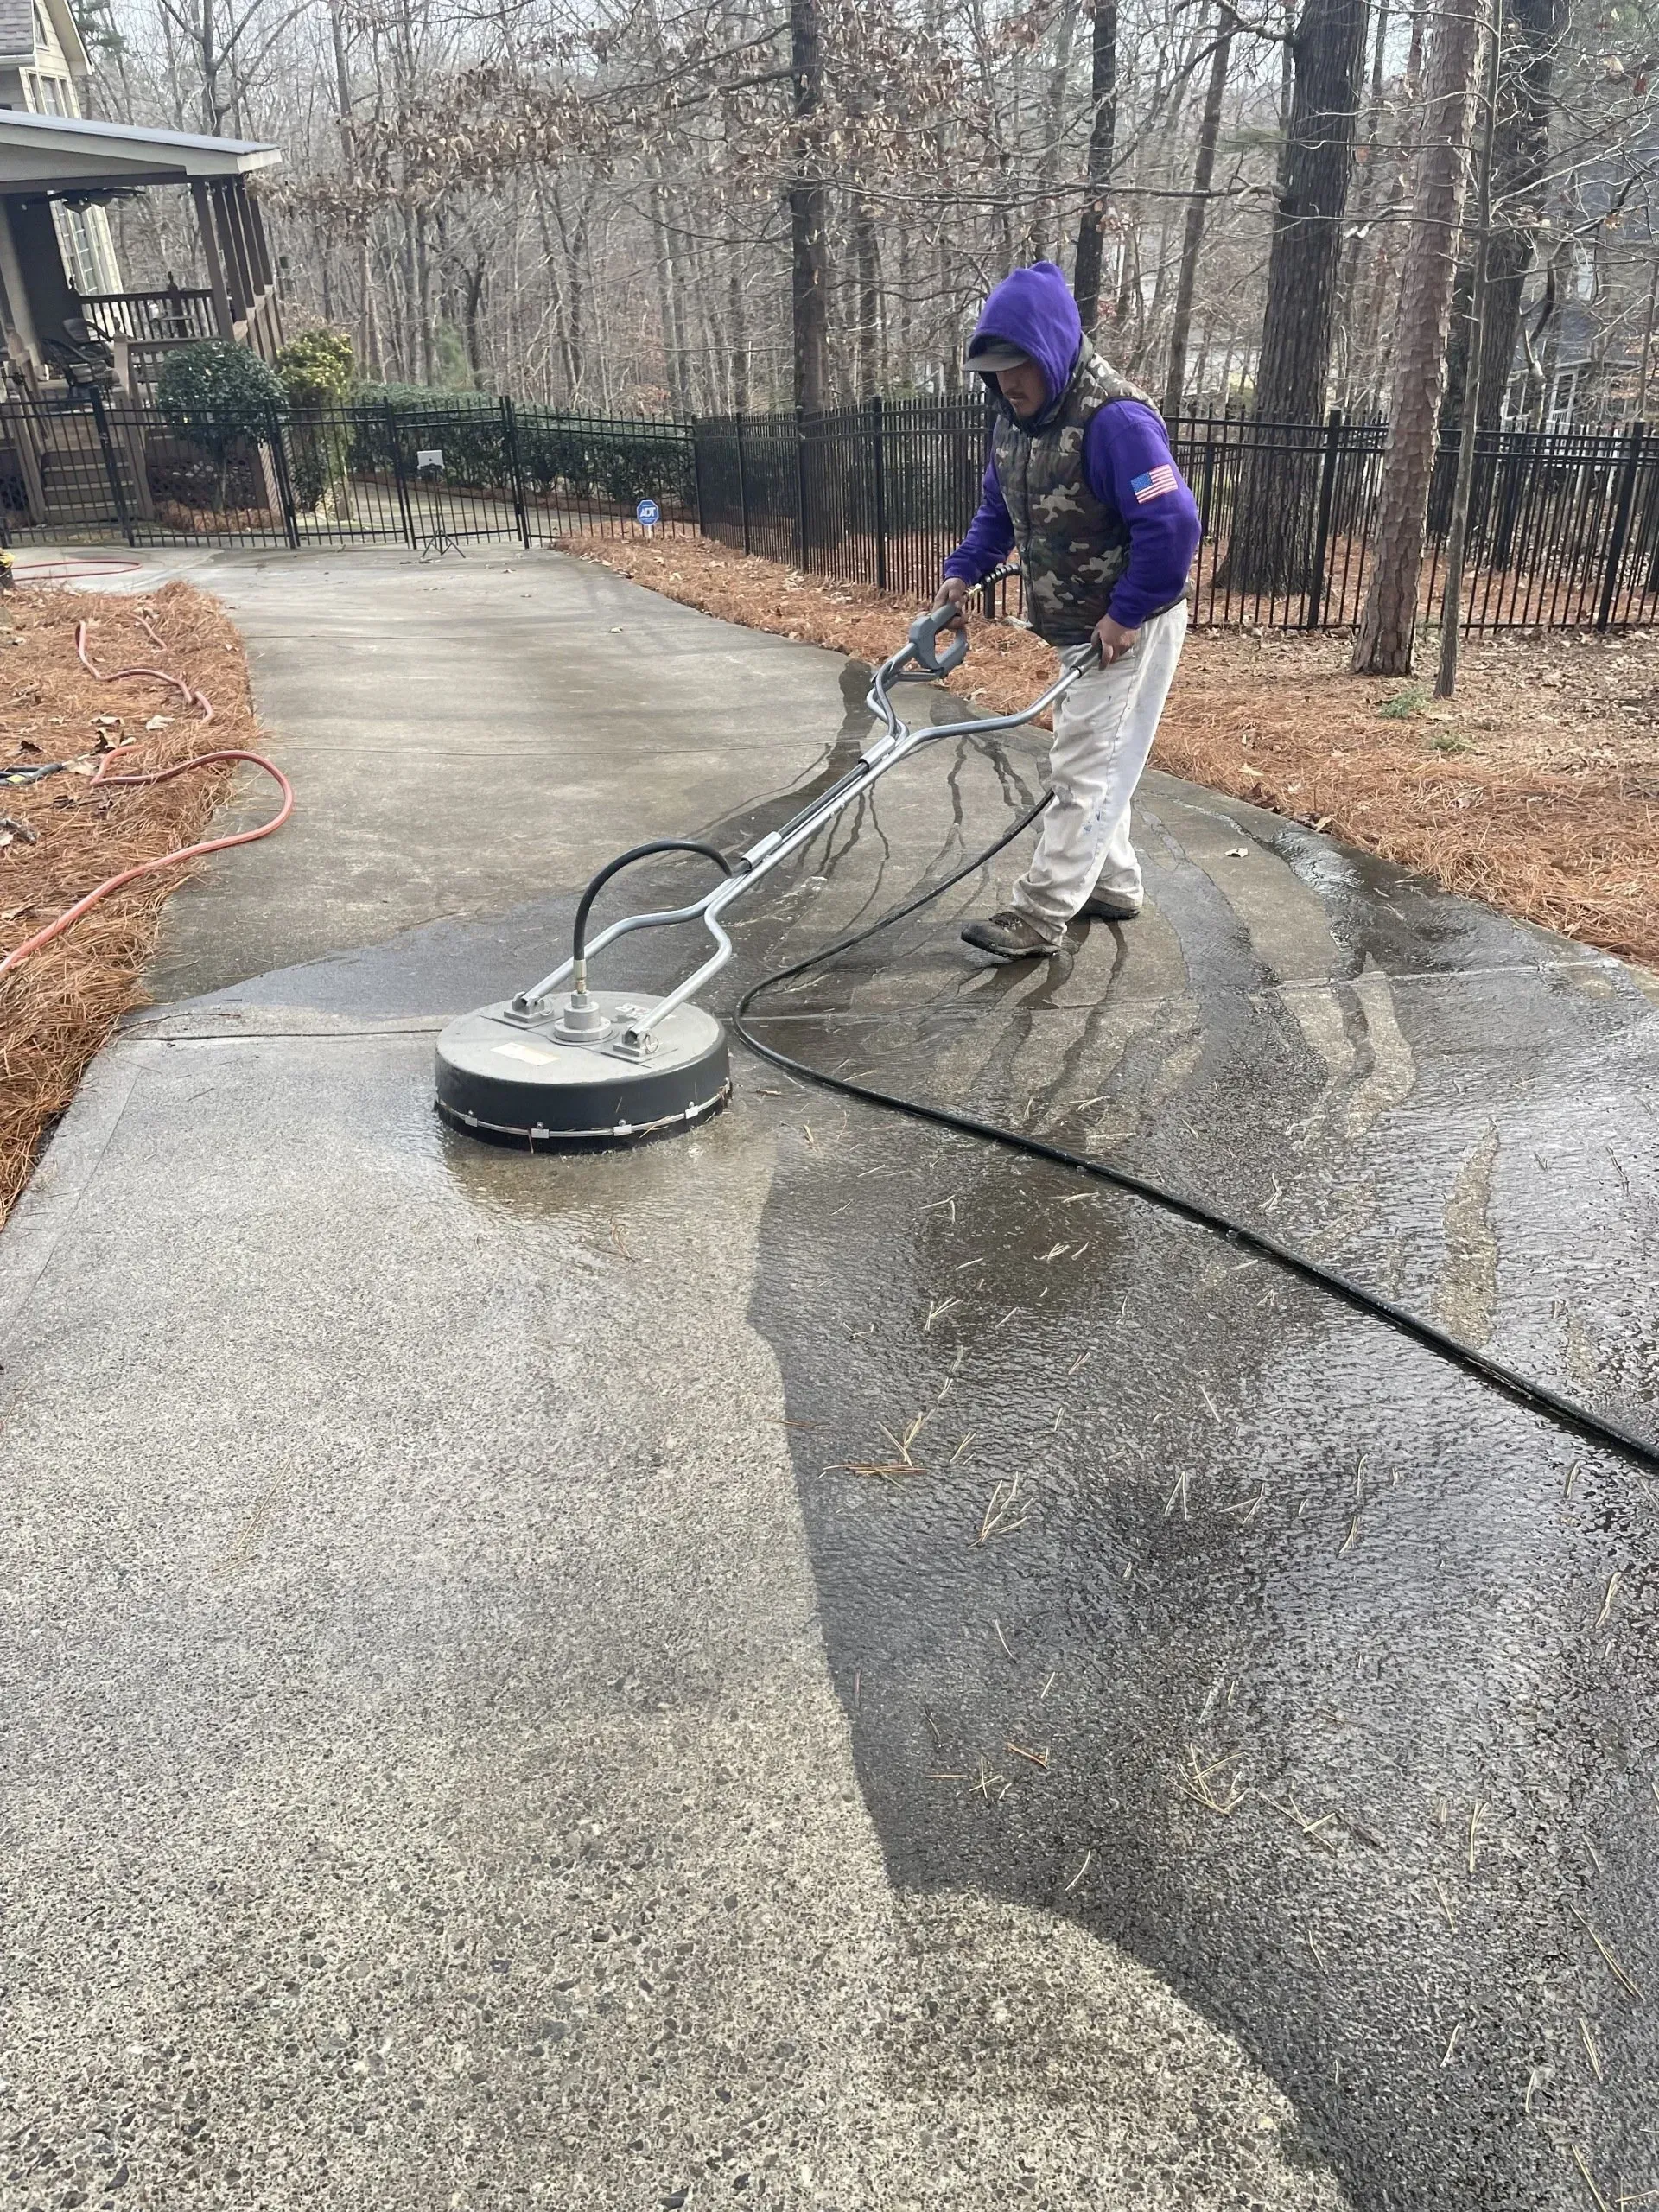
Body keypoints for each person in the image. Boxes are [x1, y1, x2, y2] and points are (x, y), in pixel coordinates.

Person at [937, 261, 1201, 960]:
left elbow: (1172, 524)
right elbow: (1000, 511)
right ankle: (1113, 884)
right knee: (1093, 753)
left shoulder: (1116, 422)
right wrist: (964, 571)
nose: (1007, 384)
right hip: (1079, 625)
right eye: (994, 371)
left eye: (1018, 367)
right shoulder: (1013, 424)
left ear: (1051, 348)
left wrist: (1126, 613)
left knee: (1085, 762)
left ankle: (1042, 910)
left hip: (1130, 624)